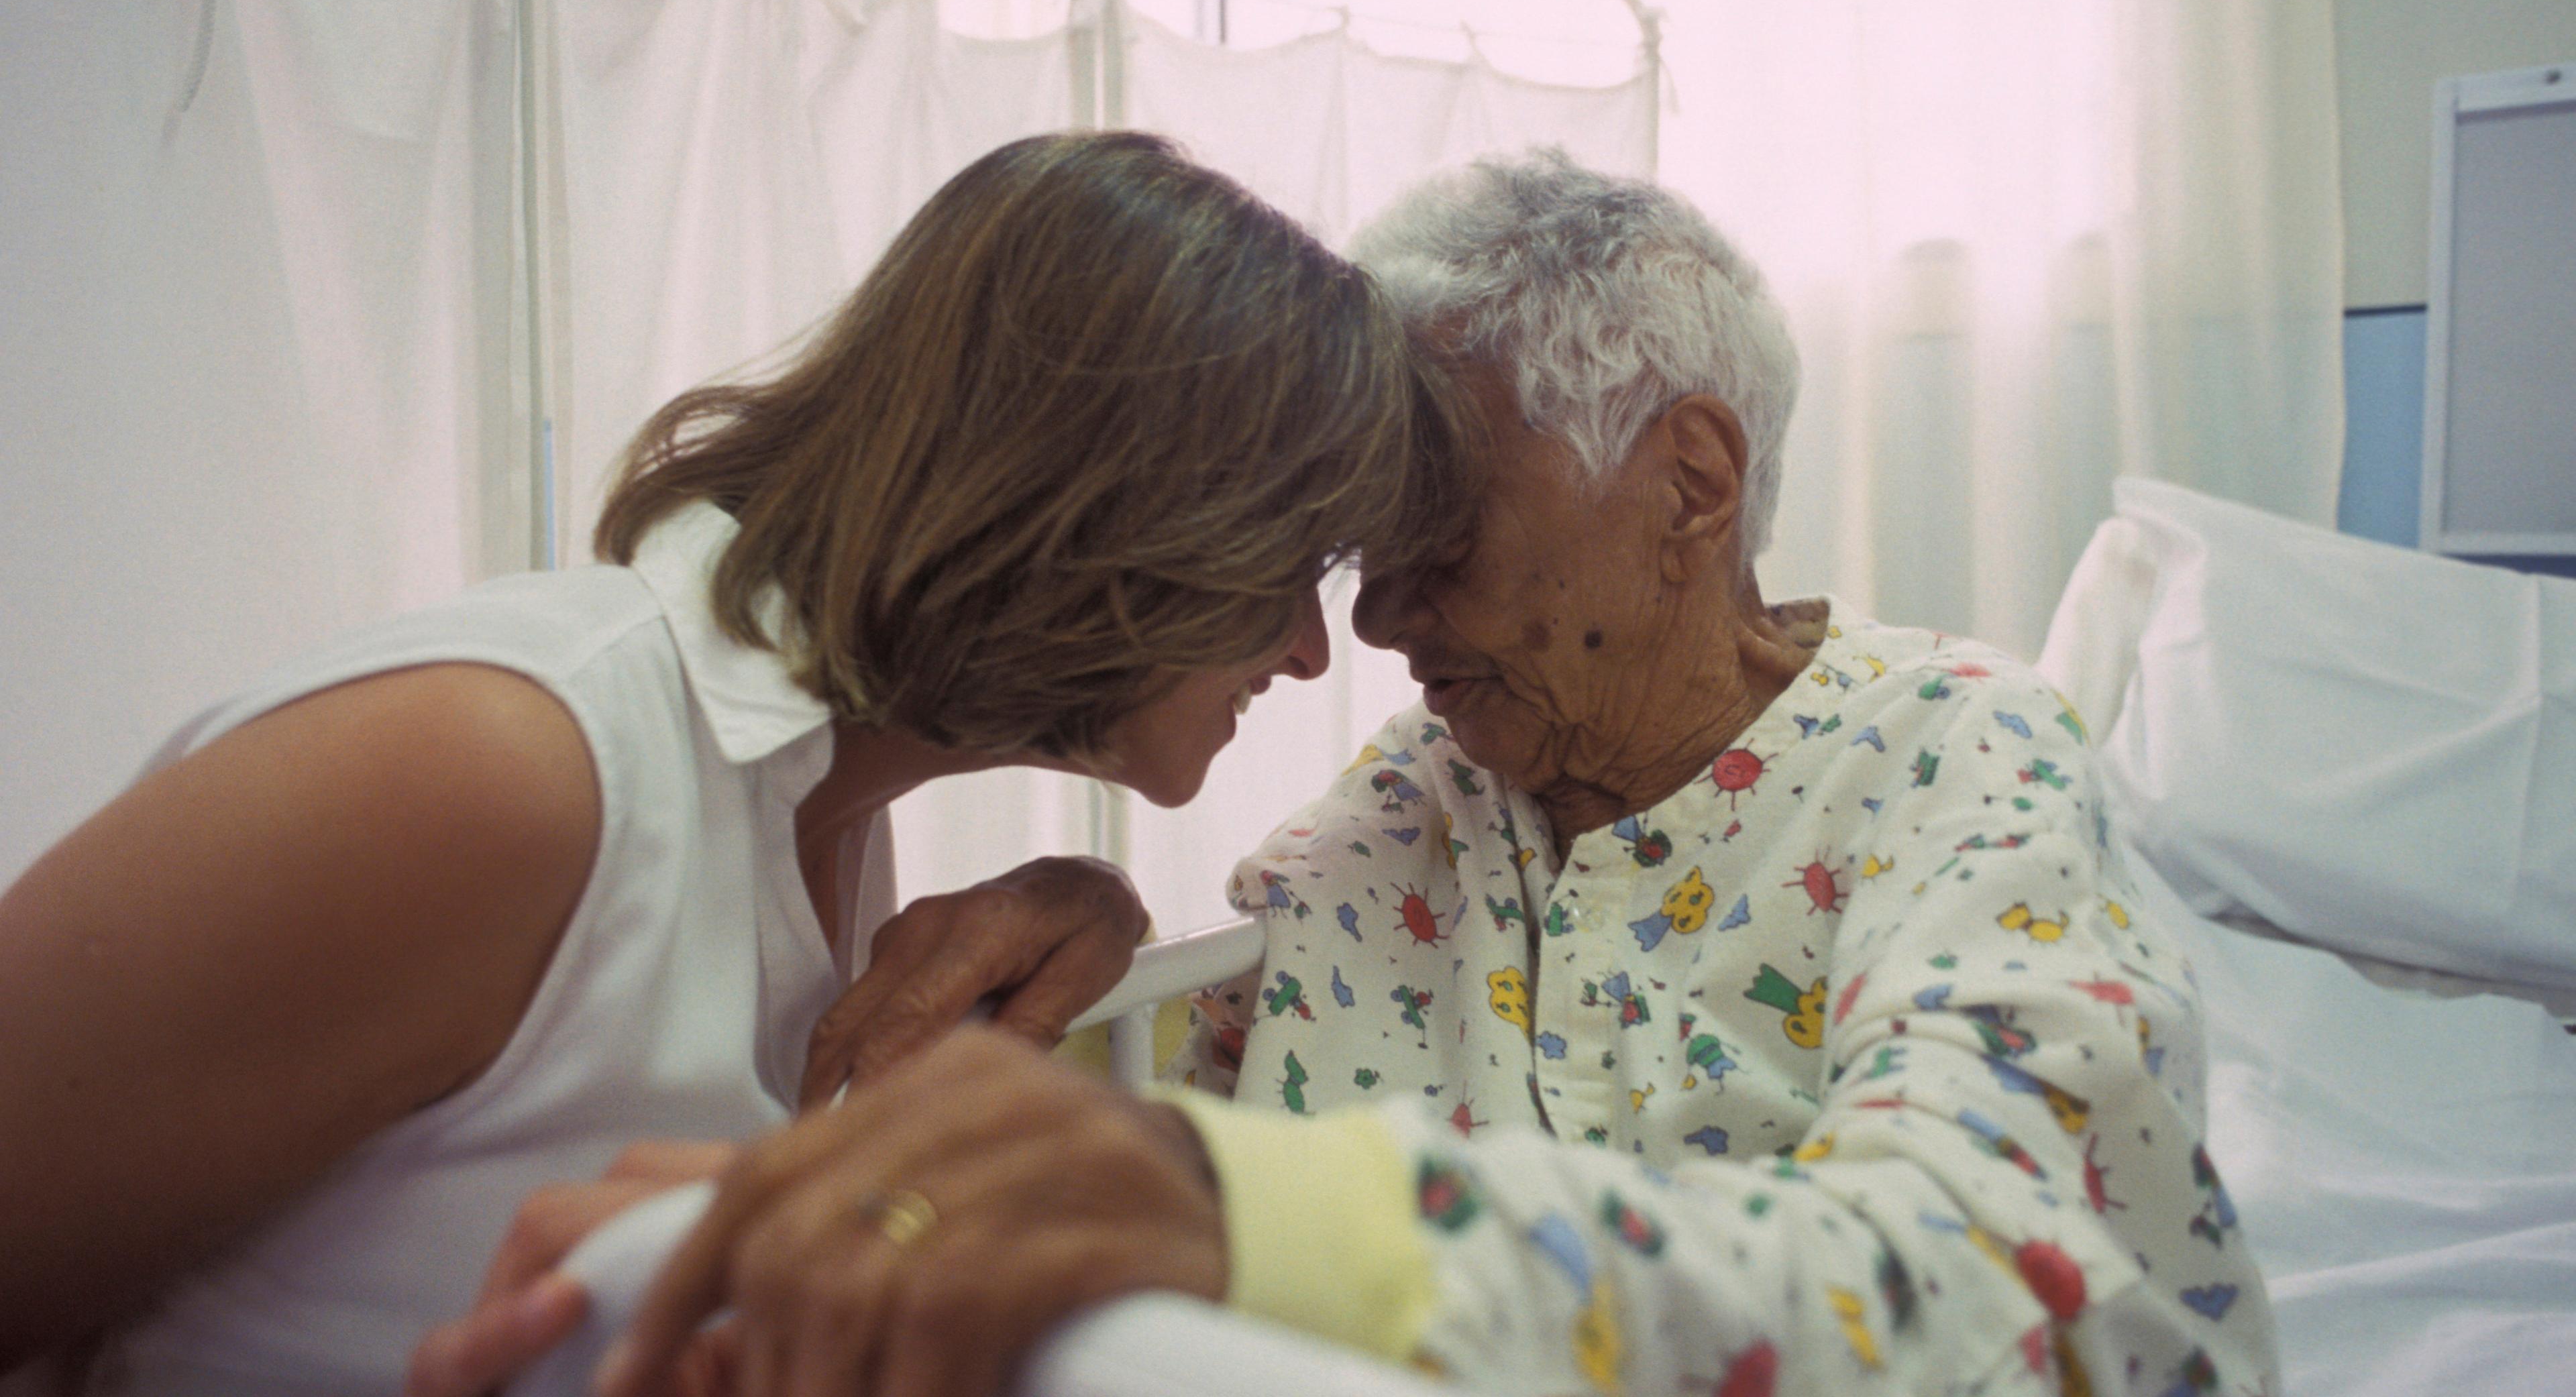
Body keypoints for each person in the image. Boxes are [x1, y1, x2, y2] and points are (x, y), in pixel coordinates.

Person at [508, 150, 2275, 1397]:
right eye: (1360, 557)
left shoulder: (1961, 758)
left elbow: (1994, 1305)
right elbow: (1192, 1139)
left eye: (1438, 537)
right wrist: (1086, 909)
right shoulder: (1405, 810)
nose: (1379, 625)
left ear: (1689, 487)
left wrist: (1235, 1206)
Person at [0, 130, 1474, 1394]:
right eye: (1293, 564)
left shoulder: (823, 799)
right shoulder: (503, 769)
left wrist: (1089, 899)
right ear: (1124, 516)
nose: (1304, 649)